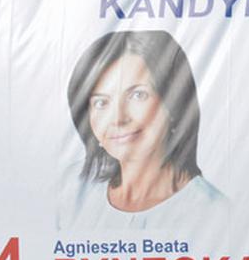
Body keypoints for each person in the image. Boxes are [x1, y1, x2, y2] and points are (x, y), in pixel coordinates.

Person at [58, 30, 229, 229]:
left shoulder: (214, 215)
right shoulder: (71, 189)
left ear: (174, 103)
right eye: (101, 102)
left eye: (138, 95)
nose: (118, 118)